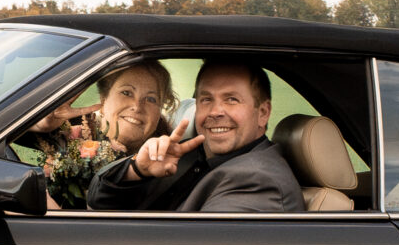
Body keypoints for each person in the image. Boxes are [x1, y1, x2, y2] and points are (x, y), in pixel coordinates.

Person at [86, 61, 304, 212]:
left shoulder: (258, 181)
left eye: (231, 100)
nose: (216, 111)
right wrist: (137, 171)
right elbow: (98, 200)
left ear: (263, 113)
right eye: (206, 99)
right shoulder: (190, 155)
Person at [28, 60, 173, 159]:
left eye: (151, 99)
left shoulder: (168, 160)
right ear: (104, 99)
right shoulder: (68, 131)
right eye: (127, 93)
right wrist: (41, 124)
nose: (137, 106)